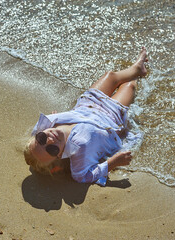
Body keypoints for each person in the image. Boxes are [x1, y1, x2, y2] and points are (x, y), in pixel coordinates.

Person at [24, 47, 148, 186]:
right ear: (60, 156)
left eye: (42, 139)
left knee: (110, 76)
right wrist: (112, 163)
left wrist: (55, 118)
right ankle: (138, 71)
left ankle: (137, 67)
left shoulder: (44, 126)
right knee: (129, 85)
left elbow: (41, 135)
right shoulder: (78, 151)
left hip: (88, 104)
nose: (50, 140)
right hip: (110, 118)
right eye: (51, 149)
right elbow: (83, 177)